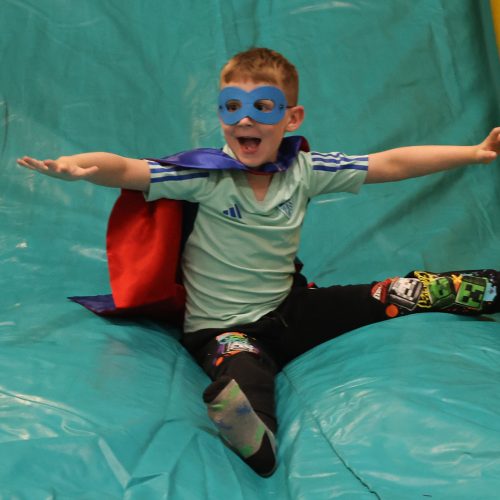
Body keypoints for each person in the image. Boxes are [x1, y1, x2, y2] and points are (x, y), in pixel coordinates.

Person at [17, 47, 500, 477]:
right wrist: (79, 165)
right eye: (232, 108)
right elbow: (127, 168)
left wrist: (473, 153)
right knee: (244, 371)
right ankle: (256, 438)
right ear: (222, 115)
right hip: (223, 328)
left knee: (385, 296)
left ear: (292, 118)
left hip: (289, 310)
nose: (245, 121)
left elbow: (390, 163)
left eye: (262, 107)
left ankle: (466, 288)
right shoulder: (203, 176)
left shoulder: (305, 171)